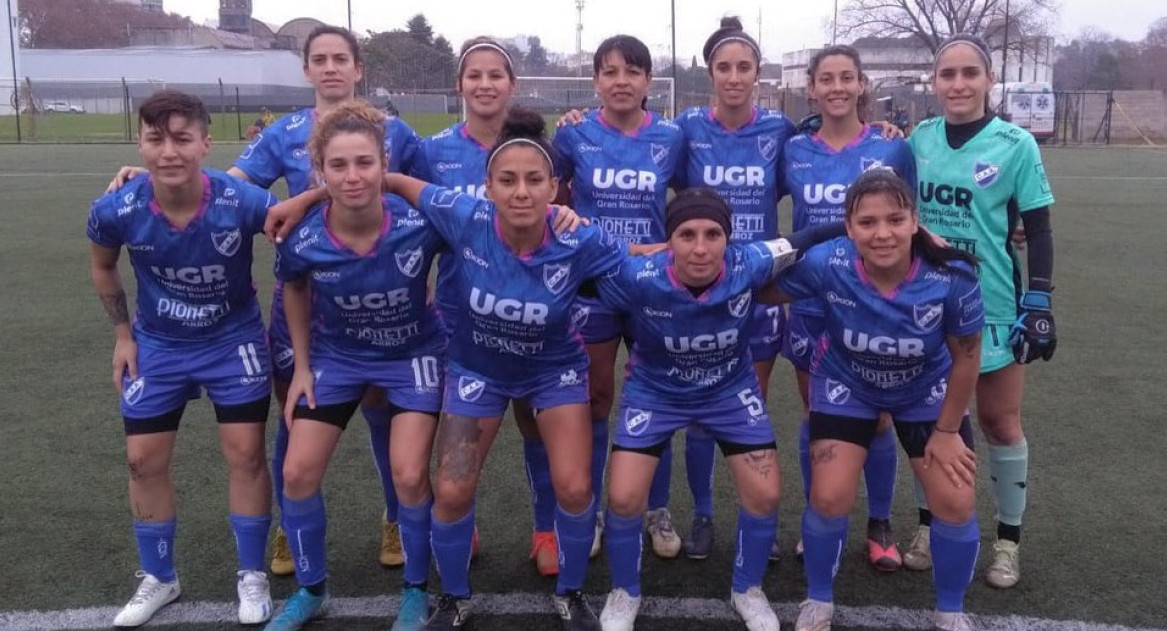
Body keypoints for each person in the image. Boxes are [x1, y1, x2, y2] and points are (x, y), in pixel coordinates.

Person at [109, 25, 423, 575]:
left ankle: (393, 517)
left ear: (358, 69)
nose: (330, 68)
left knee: (381, 410)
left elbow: (413, 195)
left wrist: (308, 195)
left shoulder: (396, 133)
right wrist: (156, 176)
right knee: (295, 412)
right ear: (306, 70)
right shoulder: (283, 133)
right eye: (319, 59)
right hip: (303, 297)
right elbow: (223, 185)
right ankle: (286, 523)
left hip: (376, 296)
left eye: (340, 59)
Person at [380, 108, 631, 631]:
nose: (521, 191)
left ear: (555, 188)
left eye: (534, 180)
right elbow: (396, 180)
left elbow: (646, 263)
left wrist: (714, 259)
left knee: (576, 488)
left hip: (554, 372)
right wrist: (309, 196)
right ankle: (454, 597)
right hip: (477, 371)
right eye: (508, 180)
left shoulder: (579, 238)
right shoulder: (463, 216)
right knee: (450, 489)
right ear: (488, 186)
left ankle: (571, 591)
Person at [759, 170, 985, 631]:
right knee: (829, 496)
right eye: (867, 222)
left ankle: (950, 611)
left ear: (915, 222)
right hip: (847, 385)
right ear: (848, 227)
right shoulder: (829, 262)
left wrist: (945, 432)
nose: (882, 234)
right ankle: (819, 599)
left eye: (895, 220)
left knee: (956, 502)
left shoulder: (953, 273)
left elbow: (966, 359)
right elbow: (760, 288)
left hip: (926, 391)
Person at [88, 90, 277, 628]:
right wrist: (123, 335)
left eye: (181, 139)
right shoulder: (116, 208)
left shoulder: (239, 200)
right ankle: (159, 577)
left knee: (245, 454)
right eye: (155, 139)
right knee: (142, 459)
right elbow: (103, 267)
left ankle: (251, 574)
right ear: (141, 145)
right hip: (158, 345)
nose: (169, 151)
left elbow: (292, 225)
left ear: (205, 143)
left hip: (232, 341)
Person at [263, 102, 446, 631]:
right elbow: (293, 287)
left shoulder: (420, 221)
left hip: (412, 356)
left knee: (409, 474)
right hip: (337, 359)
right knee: (296, 472)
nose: (352, 176)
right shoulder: (304, 236)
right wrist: (301, 365)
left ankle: (415, 589)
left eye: (364, 163)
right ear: (320, 171)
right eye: (338, 166)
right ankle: (311, 589)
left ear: (383, 163)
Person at [595, 188, 808, 631]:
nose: (700, 246)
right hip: (655, 392)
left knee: (766, 494)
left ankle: (747, 588)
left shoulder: (749, 262)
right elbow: (576, 270)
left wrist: (904, 233)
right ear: (668, 239)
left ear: (728, 239)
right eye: (686, 234)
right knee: (622, 497)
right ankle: (624, 591)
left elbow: (812, 236)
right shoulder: (638, 275)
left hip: (728, 392)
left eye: (713, 234)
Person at [904, 33, 1056, 588]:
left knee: (998, 422)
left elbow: (1037, 228)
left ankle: (1007, 542)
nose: (960, 84)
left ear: (989, 81)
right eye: (949, 74)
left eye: (971, 73)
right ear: (935, 82)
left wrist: (1038, 298)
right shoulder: (919, 139)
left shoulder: (1015, 144)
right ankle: (927, 525)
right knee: (931, 423)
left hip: (992, 305)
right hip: (925, 306)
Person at [781, 44, 917, 571]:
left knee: (878, 417)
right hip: (812, 298)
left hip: (872, 301)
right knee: (818, 411)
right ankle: (819, 516)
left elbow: (908, 220)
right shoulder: (792, 149)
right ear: (811, 88)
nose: (836, 87)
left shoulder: (891, 148)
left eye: (847, 78)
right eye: (826, 79)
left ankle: (879, 521)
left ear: (861, 85)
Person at [551, 34, 686, 560]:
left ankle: (657, 507)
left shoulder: (672, 138)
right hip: (593, 287)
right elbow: (549, 196)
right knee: (597, 399)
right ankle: (597, 508)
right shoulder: (574, 134)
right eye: (609, 72)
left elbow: (695, 203)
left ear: (649, 81)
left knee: (659, 396)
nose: (621, 81)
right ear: (595, 82)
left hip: (654, 284)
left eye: (632, 72)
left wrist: (664, 246)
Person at [668, 16, 798, 561]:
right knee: (700, 409)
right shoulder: (686, 129)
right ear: (710, 72)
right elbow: (659, 185)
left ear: (758, 73)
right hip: (701, 287)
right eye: (724, 67)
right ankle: (702, 515)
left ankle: (755, 521)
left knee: (750, 406)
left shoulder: (779, 131)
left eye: (744, 67)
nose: (735, 76)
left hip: (760, 288)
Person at [410, 35, 526, 572]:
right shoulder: (431, 151)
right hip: (459, 316)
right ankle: (464, 521)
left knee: (538, 426)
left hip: (534, 316)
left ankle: (546, 529)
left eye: (495, 75)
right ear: (459, 84)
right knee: (460, 438)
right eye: (474, 75)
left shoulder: (536, 142)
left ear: (511, 84)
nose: (484, 84)